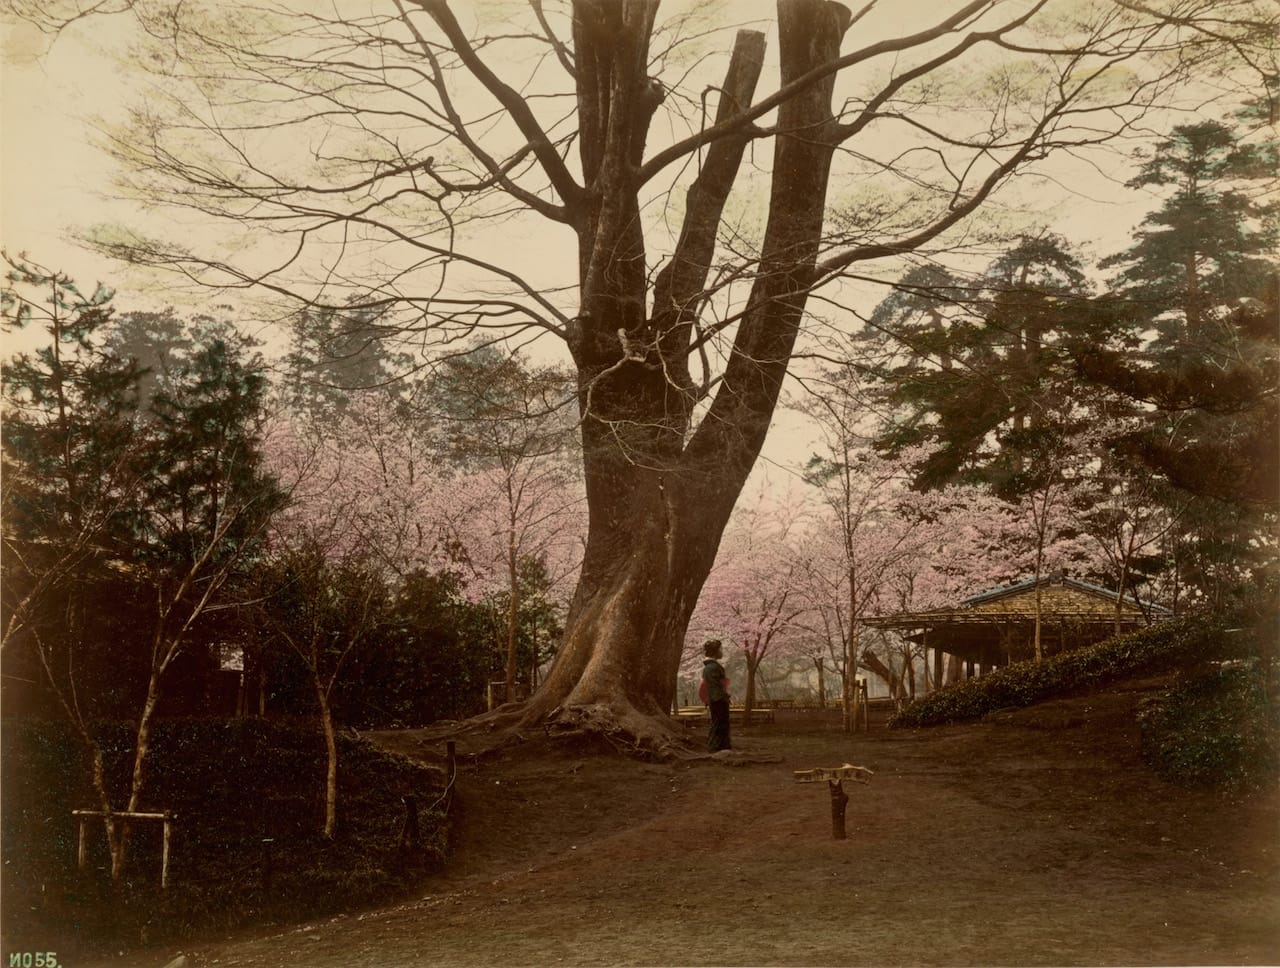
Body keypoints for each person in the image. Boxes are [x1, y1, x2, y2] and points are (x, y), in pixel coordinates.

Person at [700, 639, 731, 752]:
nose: (722, 651)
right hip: (718, 700)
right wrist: (723, 696)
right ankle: (715, 747)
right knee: (719, 723)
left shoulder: (710, 667)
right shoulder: (713, 667)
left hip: (716, 699)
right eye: (720, 649)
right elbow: (715, 686)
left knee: (719, 723)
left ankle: (719, 746)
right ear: (715, 651)